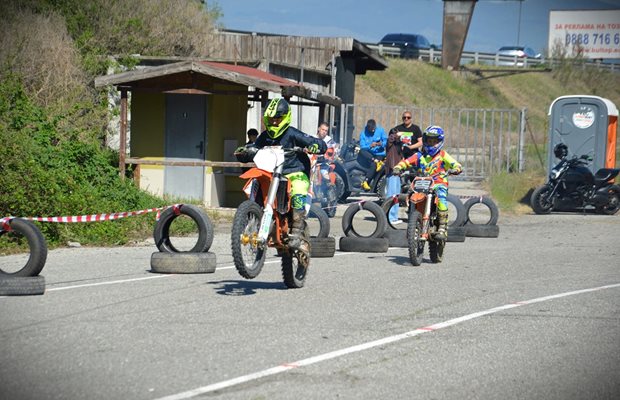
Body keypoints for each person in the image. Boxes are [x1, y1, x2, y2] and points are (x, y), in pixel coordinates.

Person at [240, 98, 326, 260]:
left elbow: (315, 142)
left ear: (285, 117)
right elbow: (253, 149)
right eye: (271, 118)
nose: (274, 121)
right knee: (253, 183)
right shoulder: (264, 136)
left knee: (299, 187)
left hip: (294, 172)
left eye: (277, 118)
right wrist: (245, 152)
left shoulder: (292, 133)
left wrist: (317, 145)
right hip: (270, 173)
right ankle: (252, 218)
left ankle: (297, 230)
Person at [393, 125, 462, 240]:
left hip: (439, 182)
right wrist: (398, 167)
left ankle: (442, 227)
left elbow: (455, 164)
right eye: (429, 141)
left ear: (439, 142)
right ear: (425, 141)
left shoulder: (442, 155)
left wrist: (456, 169)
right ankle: (413, 221)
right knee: (410, 194)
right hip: (422, 183)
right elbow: (406, 161)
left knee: (441, 197)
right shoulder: (420, 156)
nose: (431, 144)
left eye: (434, 141)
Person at [358, 119, 387, 191]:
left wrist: (381, 144)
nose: (373, 131)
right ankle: (376, 161)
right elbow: (363, 146)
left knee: (374, 164)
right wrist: (370, 146)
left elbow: (386, 141)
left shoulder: (381, 130)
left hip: (379, 153)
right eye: (371, 130)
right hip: (369, 153)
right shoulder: (363, 134)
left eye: (374, 129)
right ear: (368, 128)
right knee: (361, 151)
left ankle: (366, 181)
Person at [384, 127, 404, 224]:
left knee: (396, 195)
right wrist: (396, 135)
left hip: (397, 172)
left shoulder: (398, 145)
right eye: (395, 134)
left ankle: (394, 217)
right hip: (391, 171)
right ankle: (389, 218)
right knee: (391, 195)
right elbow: (390, 138)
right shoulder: (390, 142)